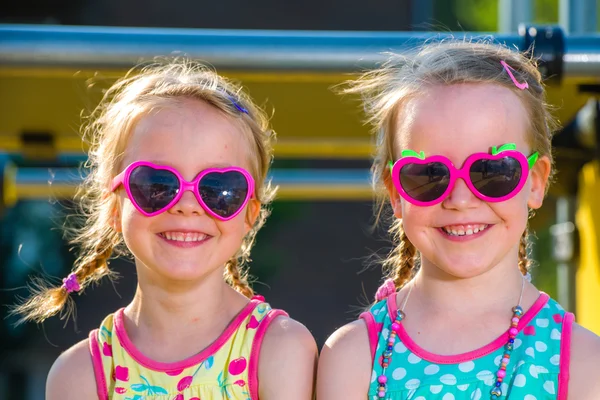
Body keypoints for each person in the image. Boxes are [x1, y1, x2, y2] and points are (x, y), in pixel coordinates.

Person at [14, 59, 317, 399]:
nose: (187, 205)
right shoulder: (80, 376)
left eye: (218, 189)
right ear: (115, 206)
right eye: (156, 184)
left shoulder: (281, 351)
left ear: (250, 213)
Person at [317, 40, 600, 399]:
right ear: (396, 193)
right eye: (428, 175)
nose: (460, 199)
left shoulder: (583, 364)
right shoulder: (353, 357)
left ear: (535, 182)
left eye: (493, 171)